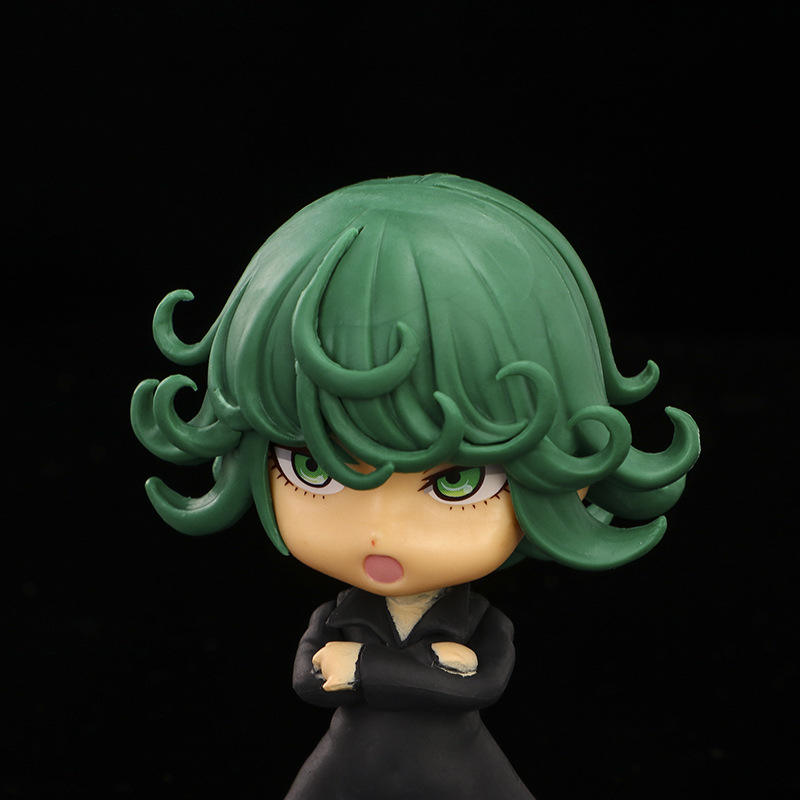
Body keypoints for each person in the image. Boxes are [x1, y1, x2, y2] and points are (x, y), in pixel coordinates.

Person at [131, 174, 700, 798]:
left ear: (571, 475)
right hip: (348, 771)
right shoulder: (341, 616)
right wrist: (419, 671)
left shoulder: (475, 621)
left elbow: (479, 685)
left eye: (455, 481)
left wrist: (361, 668)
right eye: (313, 469)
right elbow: (310, 681)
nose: (381, 529)